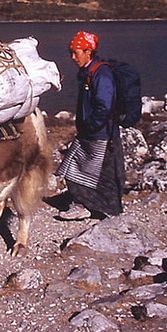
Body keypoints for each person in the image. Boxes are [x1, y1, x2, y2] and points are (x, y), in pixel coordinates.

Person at [55, 31, 126, 220]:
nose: (73, 57)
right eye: (71, 52)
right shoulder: (90, 72)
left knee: (86, 169)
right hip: (93, 131)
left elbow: (104, 106)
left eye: (76, 53)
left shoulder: (101, 74)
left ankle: (93, 208)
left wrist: (90, 127)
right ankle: (88, 205)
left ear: (88, 51)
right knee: (76, 167)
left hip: (98, 133)